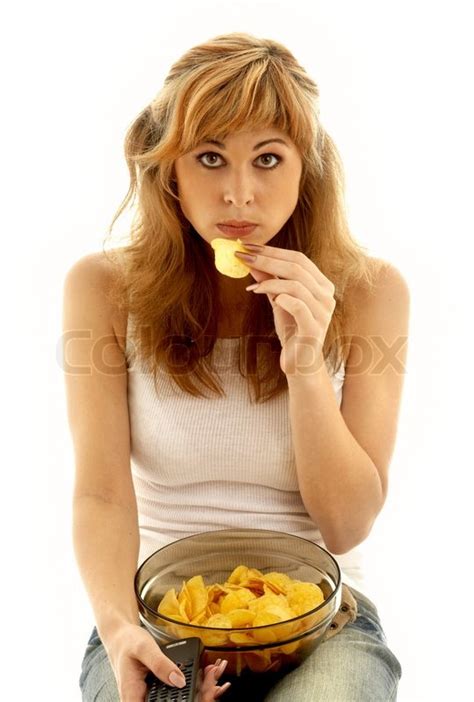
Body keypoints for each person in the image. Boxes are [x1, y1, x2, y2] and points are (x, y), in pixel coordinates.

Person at [63, 32, 408, 701]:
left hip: (323, 622)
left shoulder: (371, 292)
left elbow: (345, 524)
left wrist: (306, 364)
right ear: (170, 172)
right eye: (211, 158)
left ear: (306, 168)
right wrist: (118, 627)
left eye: (269, 159)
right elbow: (101, 492)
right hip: (160, 618)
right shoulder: (103, 287)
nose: (240, 195)